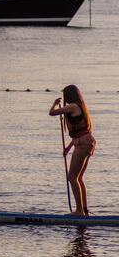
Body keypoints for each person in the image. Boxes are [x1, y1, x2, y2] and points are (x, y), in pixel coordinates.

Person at [49, 85, 95, 216]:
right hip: (85, 142)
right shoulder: (79, 106)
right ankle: (84, 210)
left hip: (83, 144)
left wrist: (55, 104)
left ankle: (79, 211)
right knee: (79, 178)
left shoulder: (73, 106)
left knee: (72, 177)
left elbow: (51, 113)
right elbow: (79, 133)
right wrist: (68, 148)